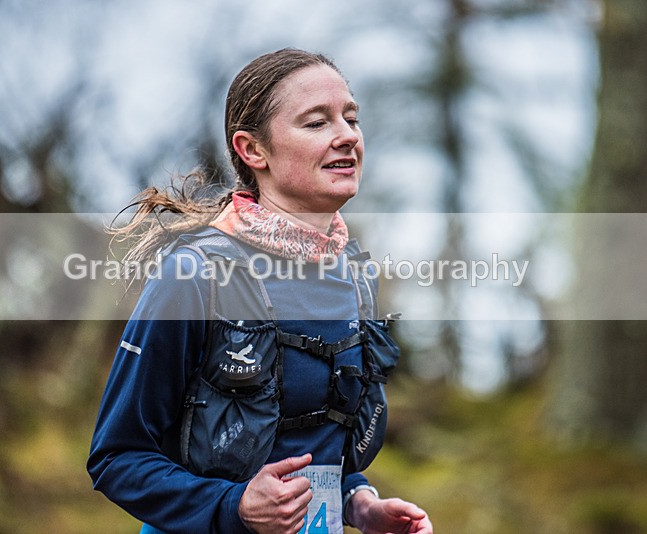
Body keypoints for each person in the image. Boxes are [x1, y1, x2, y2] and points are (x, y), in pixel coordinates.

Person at [87, 48, 433, 534]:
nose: (347, 136)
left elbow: (316, 446)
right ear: (253, 150)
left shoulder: (355, 278)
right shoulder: (195, 275)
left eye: (351, 118)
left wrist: (359, 502)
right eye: (317, 122)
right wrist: (234, 506)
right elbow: (116, 458)